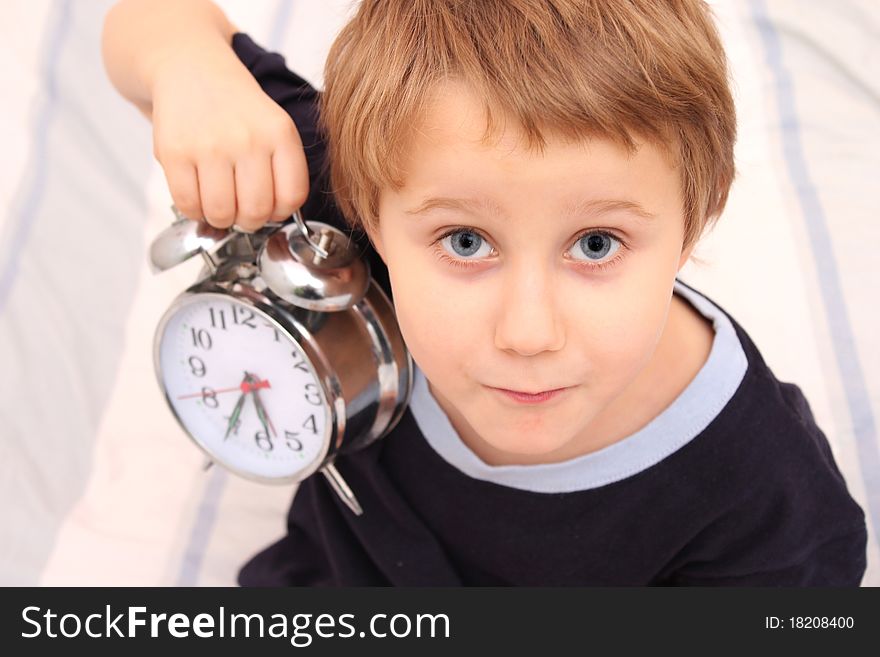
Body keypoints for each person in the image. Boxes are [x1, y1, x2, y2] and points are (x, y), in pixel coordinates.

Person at [102, 0, 868, 585]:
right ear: (364, 203)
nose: (528, 332)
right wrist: (186, 68)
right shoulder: (349, 196)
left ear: (694, 221)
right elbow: (151, 21)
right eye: (466, 242)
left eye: (595, 245)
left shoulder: (771, 502)